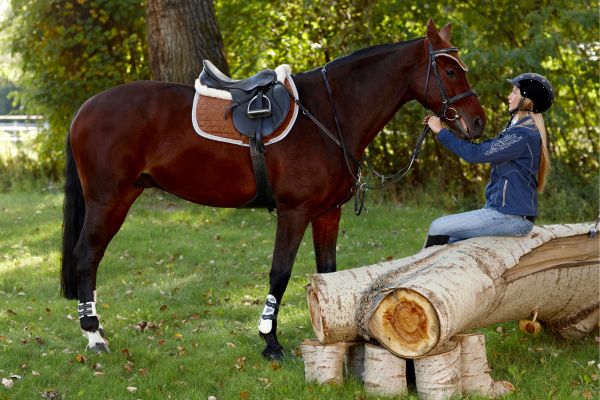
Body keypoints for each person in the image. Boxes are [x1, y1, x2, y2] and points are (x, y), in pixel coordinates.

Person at [424, 73, 554, 247]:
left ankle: (421, 272)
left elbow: (475, 155)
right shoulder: (519, 130)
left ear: (527, 100)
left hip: (511, 217)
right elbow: (484, 148)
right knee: (450, 243)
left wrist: (441, 131)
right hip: (502, 213)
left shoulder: (522, 135)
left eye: (514, 92)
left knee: (438, 226)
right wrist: (460, 130)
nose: (509, 97)